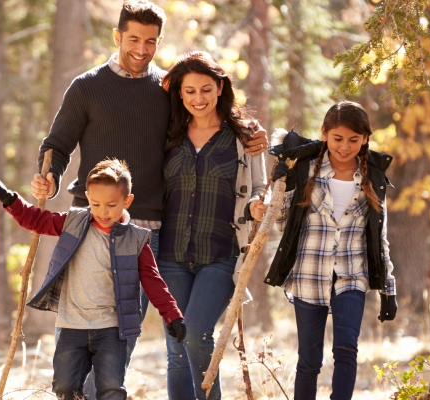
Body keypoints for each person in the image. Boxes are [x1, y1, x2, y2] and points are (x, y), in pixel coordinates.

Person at [31, 1, 267, 397]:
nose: (142, 49)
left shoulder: (166, 90)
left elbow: (204, 116)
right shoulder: (87, 87)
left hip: (146, 231)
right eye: (134, 39)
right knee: (82, 327)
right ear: (117, 36)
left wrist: (249, 132)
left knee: (124, 333)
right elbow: (57, 145)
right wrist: (49, 179)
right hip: (90, 224)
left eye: (151, 41)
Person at [0, 160, 187, 400]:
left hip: (112, 328)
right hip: (72, 325)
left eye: (111, 205)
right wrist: (8, 198)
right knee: (64, 387)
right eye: (95, 204)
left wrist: (173, 316)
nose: (103, 211)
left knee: (111, 388)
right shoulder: (74, 223)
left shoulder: (136, 239)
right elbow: (36, 220)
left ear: (127, 201)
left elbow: (153, 281)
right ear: (88, 198)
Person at [264, 101, 399, 400]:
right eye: (338, 138)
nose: (345, 146)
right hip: (309, 275)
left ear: (365, 138)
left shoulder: (374, 176)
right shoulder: (305, 169)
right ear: (324, 133)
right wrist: (282, 187)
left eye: (354, 139)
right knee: (309, 360)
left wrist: (388, 290)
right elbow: (282, 224)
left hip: (352, 275)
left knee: (347, 349)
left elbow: (380, 237)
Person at [154, 51, 266, 400]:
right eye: (189, 91)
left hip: (220, 254)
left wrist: (256, 205)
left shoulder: (243, 137)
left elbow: (259, 186)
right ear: (180, 93)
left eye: (206, 89)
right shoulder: (168, 133)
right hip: (170, 255)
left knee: (197, 333)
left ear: (220, 87)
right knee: (176, 348)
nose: (198, 98)